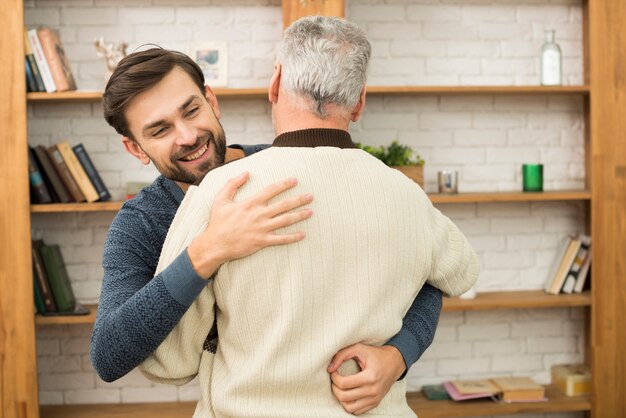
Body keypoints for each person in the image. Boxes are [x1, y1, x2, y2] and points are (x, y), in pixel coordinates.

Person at [139, 16, 478, 418]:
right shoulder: (406, 193)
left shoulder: (220, 192)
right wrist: (399, 352)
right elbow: (461, 275)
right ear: (359, 102)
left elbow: (169, 364)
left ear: (275, 81)